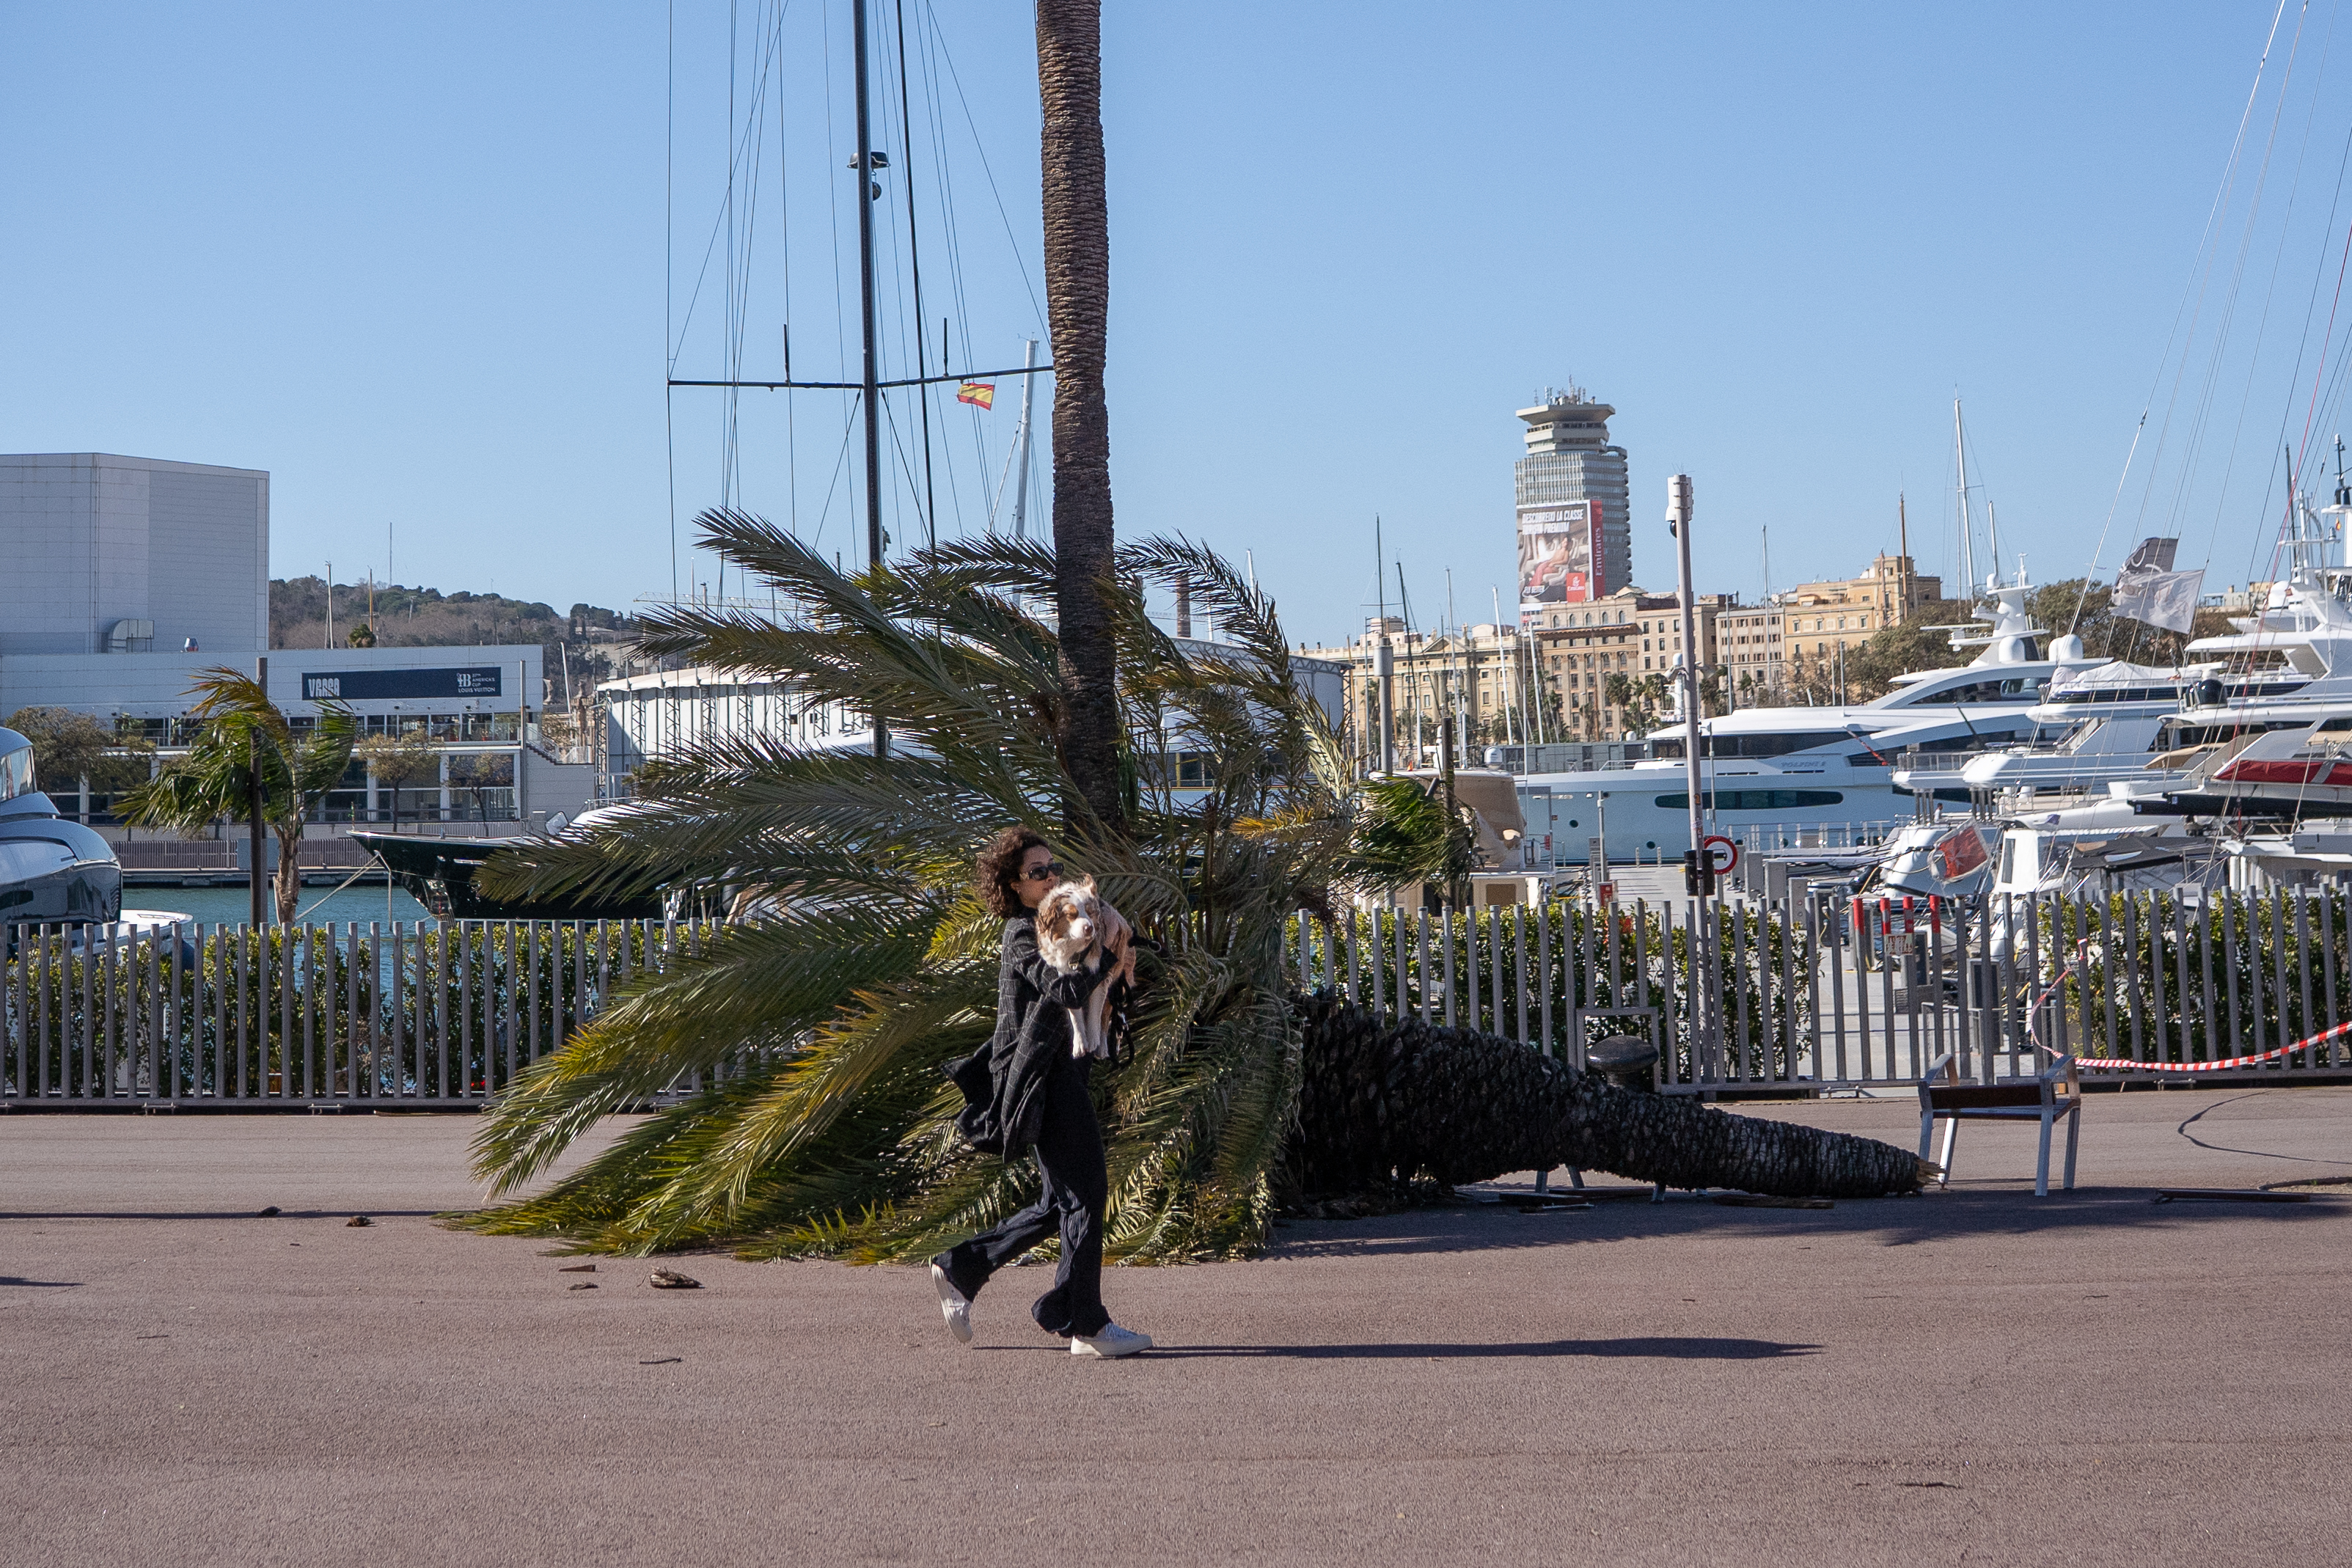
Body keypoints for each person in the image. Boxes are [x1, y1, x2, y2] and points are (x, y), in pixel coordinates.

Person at [931, 827, 1151, 1358]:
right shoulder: (1022, 935)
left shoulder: (1062, 922)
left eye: (1054, 868)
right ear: (1014, 884)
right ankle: (1087, 1325)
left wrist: (1116, 945)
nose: (1051, 877)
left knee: (1062, 1203)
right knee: (1087, 1195)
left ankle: (964, 1268)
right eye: (1038, 872)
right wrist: (1103, 950)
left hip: (1064, 1074)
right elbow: (1064, 988)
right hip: (1042, 1080)